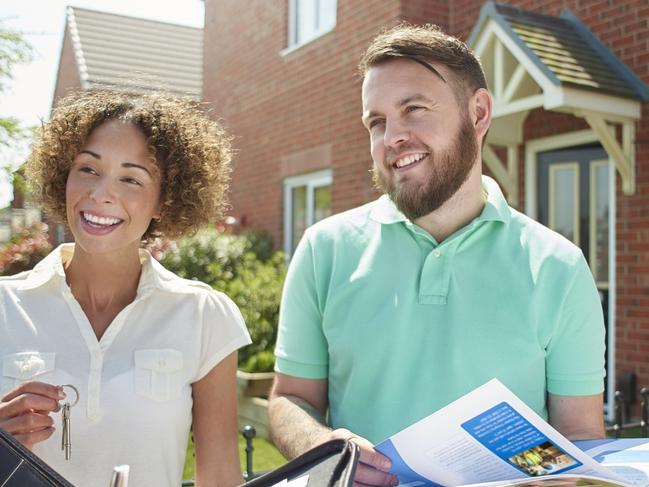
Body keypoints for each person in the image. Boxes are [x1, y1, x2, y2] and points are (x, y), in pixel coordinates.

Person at [268, 23, 606, 486]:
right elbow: (289, 398)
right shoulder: (323, 249)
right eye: (377, 122)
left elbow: (579, 435)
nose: (392, 137)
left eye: (414, 109)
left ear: (479, 113)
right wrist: (320, 444)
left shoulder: (559, 267)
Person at [0, 90, 251, 487]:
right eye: (87, 169)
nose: (101, 194)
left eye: (131, 178)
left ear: (163, 203)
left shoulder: (204, 315)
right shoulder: (4, 306)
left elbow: (220, 478)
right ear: (62, 176)